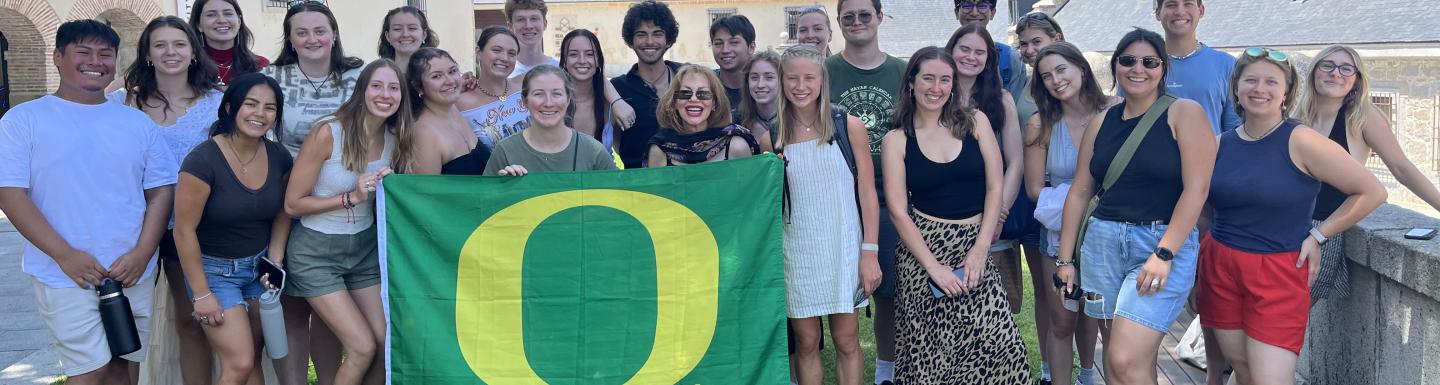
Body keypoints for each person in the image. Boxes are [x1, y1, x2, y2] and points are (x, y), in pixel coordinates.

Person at [0, 20, 175, 385]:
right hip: (65, 272)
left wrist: (143, 252)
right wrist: (64, 254)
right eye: (83, 52)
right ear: (58, 57)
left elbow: (160, 191)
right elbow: (11, 194)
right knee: (89, 370)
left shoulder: (137, 123)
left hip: (132, 268)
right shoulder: (23, 121)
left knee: (124, 366)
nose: (95, 61)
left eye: (105, 54)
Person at [1199, 47, 1386, 385]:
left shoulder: (1301, 140)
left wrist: (1319, 234)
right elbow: (1198, 207)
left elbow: (1372, 192)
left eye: (1272, 82)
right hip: (1221, 266)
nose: (1260, 89)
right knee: (1242, 370)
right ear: (1236, 88)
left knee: (1270, 379)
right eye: (1251, 80)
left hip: (1279, 271)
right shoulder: (1218, 144)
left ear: (1286, 92)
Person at [1054, 28, 1215, 385]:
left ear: (1162, 68)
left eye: (1149, 61)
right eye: (1127, 60)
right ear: (1115, 67)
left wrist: (1164, 253)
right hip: (1101, 245)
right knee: (1118, 361)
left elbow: (1196, 190)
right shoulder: (1102, 121)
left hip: (1157, 243)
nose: (1137, 68)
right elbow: (1080, 191)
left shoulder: (1183, 113)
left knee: (1125, 359)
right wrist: (1066, 260)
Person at [882, 46, 1028, 384]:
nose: (936, 87)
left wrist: (980, 249)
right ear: (911, 83)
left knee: (1003, 346)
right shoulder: (897, 139)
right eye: (928, 78)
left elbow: (995, 187)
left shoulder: (975, 122)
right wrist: (934, 268)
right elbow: (898, 210)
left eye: (944, 80)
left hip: (973, 246)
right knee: (931, 358)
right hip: (923, 253)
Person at [108, 16, 223, 385]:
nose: (170, 52)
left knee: (189, 319)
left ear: (193, 51)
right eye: (160, 45)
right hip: (130, 228)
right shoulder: (118, 103)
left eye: (179, 44)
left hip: (190, 229)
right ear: (147, 53)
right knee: (127, 322)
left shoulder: (218, 104)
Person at [284, 59, 413, 385]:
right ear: (362, 90)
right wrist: (349, 198)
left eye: (394, 87)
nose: (386, 94)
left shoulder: (395, 139)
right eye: (377, 86)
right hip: (316, 253)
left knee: (386, 344)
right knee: (361, 347)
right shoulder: (329, 131)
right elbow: (292, 203)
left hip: (363, 251)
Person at [261, 3, 363, 383]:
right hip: (288, 199)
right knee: (291, 307)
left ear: (334, 33)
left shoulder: (358, 74)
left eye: (320, 30)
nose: (312, 39)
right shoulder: (273, 76)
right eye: (301, 32)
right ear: (290, 38)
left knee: (327, 313)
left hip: (341, 199)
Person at [1295, 45, 1440, 304]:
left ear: (1356, 80)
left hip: (1320, 233)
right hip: (1283, 227)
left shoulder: (1362, 117)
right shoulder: (1299, 117)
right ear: (1314, 72)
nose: (1335, 73)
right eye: (1327, 65)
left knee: (1285, 321)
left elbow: (1402, 168)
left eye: (1346, 68)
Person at [173, 72, 293, 385]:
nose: (260, 113)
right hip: (213, 273)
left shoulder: (279, 156)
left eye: (269, 108)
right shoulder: (202, 161)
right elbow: (183, 231)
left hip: (259, 270)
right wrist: (201, 294)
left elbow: (283, 211)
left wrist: (275, 261)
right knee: (239, 362)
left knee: (254, 354)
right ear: (230, 108)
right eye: (251, 104)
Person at [774, 43, 878, 385]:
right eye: (792, 78)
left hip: (843, 247)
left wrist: (869, 252)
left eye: (809, 77)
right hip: (797, 252)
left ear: (822, 80)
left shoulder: (848, 126)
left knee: (847, 339)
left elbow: (866, 192)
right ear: (782, 81)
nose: (800, 86)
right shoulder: (771, 137)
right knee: (806, 342)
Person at [825, 2, 906, 382]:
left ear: (880, 19)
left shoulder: (902, 72)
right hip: (837, 194)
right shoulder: (825, 72)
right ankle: (844, 352)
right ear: (839, 23)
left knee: (888, 288)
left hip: (891, 195)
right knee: (840, 286)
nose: (857, 22)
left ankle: (886, 370)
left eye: (864, 15)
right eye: (848, 16)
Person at [1024, 42, 1104, 385]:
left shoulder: (1115, 111)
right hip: (1058, 232)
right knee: (1061, 317)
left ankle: (1087, 375)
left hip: (1105, 231)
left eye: (1061, 70)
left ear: (1081, 68)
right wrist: (1081, 200)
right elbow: (1033, 189)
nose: (1055, 81)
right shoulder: (1041, 123)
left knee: (1093, 312)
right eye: (1046, 76)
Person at [945, 23, 1026, 326]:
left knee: (997, 308)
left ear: (989, 59)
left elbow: (1015, 161)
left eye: (979, 52)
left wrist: (998, 215)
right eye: (964, 49)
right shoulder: (936, 95)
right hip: (949, 217)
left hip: (994, 215)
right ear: (950, 50)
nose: (971, 57)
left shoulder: (1002, 100)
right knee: (952, 304)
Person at [1014, 11, 1069, 384]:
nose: (1031, 49)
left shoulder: (1069, 81)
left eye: (1038, 41)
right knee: (1047, 294)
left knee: (1080, 299)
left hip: (1071, 199)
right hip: (1036, 201)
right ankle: (1050, 371)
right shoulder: (1026, 85)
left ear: (1058, 36)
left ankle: (1083, 371)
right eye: (1026, 44)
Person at [484, 65, 618, 175]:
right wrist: (502, 186)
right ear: (525, 101)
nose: (548, 103)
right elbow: (484, 202)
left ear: (568, 99)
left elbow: (617, 198)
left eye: (557, 94)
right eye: (539, 94)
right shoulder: (505, 151)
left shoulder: (593, 152)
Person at [611, 0, 684, 169]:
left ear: (668, 39)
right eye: (641, 34)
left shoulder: (685, 78)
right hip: (639, 185)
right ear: (631, 40)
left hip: (684, 181)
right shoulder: (617, 88)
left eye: (657, 33)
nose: (649, 41)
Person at [1154, 0, 1239, 135]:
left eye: (1188, 3)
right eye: (1171, 4)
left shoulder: (1226, 65)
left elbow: (1235, 130)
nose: (1180, 12)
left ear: (1201, 11)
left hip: (1211, 155)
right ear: (1158, 13)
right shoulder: (1142, 66)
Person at [647, 65, 758, 167]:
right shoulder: (659, 150)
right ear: (675, 102)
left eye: (703, 94)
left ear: (714, 103)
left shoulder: (737, 145)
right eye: (685, 93)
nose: (694, 99)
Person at [409, 48, 487, 175]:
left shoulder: (453, 109)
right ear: (418, 86)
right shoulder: (424, 133)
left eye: (452, 71)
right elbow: (427, 192)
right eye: (436, 76)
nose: (450, 81)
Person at [456, 26, 529, 149]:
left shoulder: (527, 84)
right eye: (496, 50)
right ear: (478, 52)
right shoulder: (460, 101)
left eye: (511, 53)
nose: (505, 58)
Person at [954, 0, 1027, 114]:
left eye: (982, 6)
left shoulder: (1010, 59)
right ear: (956, 12)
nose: (974, 12)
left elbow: (1017, 113)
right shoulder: (942, 60)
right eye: (967, 5)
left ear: (993, 12)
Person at [189, 0, 269, 86]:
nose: (222, 20)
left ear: (239, 21)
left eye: (228, 14)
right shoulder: (188, 67)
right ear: (198, 25)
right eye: (211, 15)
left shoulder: (261, 67)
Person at [560, 29, 616, 150]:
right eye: (573, 54)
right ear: (564, 61)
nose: (582, 60)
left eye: (589, 54)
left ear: (598, 61)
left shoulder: (611, 104)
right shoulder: (553, 104)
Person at [709, 14, 755, 121]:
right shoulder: (706, 85)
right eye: (718, 43)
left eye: (734, 42)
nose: (725, 50)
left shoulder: (764, 86)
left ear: (751, 47)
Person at [738, 50, 781, 153]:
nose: (760, 84)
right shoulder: (737, 122)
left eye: (769, 77)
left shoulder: (796, 123)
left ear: (782, 80)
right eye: (754, 77)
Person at [377, 6, 438, 73]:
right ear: (388, 36)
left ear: (424, 34)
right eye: (397, 29)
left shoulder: (439, 71)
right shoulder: (376, 75)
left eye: (412, 28)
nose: (405, 34)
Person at [506, 0, 558, 77]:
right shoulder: (504, 72)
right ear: (510, 26)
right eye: (520, 19)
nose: (528, 26)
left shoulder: (562, 69)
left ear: (545, 24)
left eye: (534, 19)